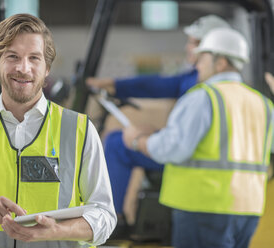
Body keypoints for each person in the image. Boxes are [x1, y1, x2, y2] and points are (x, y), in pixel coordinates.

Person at [0, 13, 116, 247]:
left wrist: (56, 230)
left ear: (47, 67)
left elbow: (105, 215)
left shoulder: (79, 129)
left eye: (34, 58)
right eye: (12, 57)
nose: (23, 68)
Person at [122, 27, 273, 248]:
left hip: (204, 208)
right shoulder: (263, 103)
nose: (196, 64)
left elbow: (173, 148)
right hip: (249, 210)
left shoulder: (204, 98)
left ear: (220, 62)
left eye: (203, 57)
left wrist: (137, 141)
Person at [85, 15, 230, 226]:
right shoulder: (201, 80)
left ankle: (111, 220)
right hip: (202, 158)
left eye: (195, 43)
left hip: (196, 164)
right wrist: (112, 84)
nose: (189, 48)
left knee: (118, 143)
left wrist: (141, 140)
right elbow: (156, 85)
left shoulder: (203, 86)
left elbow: (160, 88)